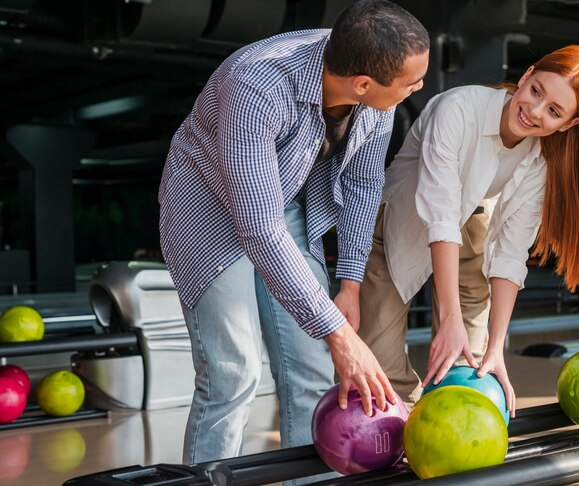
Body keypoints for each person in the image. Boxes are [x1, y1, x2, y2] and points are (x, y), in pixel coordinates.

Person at [158, 0, 429, 464]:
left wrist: (349, 282)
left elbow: (363, 185)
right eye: (411, 83)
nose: (417, 88)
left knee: (311, 367)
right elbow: (259, 227)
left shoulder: (371, 84)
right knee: (233, 371)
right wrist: (339, 334)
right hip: (206, 208)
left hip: (278, 202)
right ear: (363, 83)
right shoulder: (256, 85)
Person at [358, 45, 579, 417]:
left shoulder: (542, 160)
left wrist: (496, 347)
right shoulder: (457, 108)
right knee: (383, 376)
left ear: (568, 124)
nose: (535, 111)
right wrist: (450, 318)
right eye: (536, 91)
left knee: (470, 366)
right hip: (399, 222)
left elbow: (510, 252)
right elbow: (440, 213)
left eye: (554, 111)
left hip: (470, 223)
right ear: (526, 75)